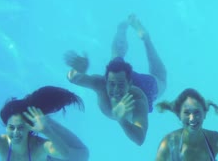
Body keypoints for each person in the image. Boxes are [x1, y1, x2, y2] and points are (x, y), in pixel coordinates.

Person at [64, 14, 166, 145]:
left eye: (120, 85)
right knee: (116, 56)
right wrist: (78, 71)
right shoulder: (100, 83)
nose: (116, 90)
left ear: (130, 84)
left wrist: (121, 120)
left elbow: (140, 139)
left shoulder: (139, 99)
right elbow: (73, 79)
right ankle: (123, 29)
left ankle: (146, 38)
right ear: (106, 81)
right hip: (120, 76)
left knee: (161, 76)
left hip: (146, 87)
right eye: (111, 84)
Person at [0, 86, 89, 161]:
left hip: (77, 156)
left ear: (27, 128)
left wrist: (47, 131)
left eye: (20, 127)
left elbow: (67, 155)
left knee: (82, 157)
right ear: (6, 127)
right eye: (11, 127)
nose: (15, 133)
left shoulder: (39, 146)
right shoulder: (1, 142)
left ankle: (45, 121)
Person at [155, 88, 218, 161]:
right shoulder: (169, 143)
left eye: (197, 112)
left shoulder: (215, 139)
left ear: (204, 114)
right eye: (187, 113)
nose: (192, 118)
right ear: (179, 115)